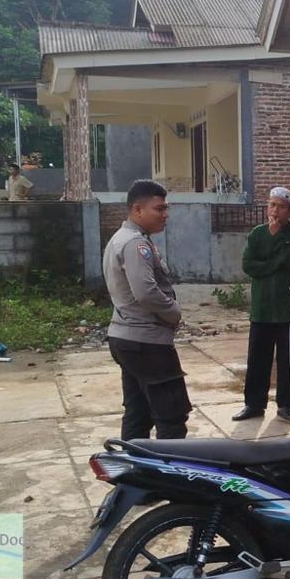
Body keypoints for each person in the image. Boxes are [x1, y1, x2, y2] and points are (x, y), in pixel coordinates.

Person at [103, 179, 190, 440]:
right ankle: (169, 466)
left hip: (126, 337)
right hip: (147, 342)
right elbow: (146, 292)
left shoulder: (120, 239)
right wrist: (174, 312)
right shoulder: (135, 244)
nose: (165, 214)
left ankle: (134, 464)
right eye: (159, 209)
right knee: (171, 417)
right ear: (137, 210)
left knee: (138, 413)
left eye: (166, 208)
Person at [234, 186, 290, 422]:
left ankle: (286, 404)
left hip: (287, 308)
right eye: (272, 205)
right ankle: (254, 404)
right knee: (257, 359)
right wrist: (277, 256)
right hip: (262, 309)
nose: (275, 210)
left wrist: (274, 248)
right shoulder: (257, 234)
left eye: (281, 207)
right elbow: (249, 266)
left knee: (287, 360)